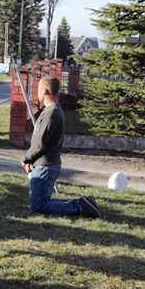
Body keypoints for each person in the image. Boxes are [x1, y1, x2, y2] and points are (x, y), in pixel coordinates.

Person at [22, 75, 101, 218]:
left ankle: (81, 206)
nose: (37, 93)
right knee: (41, 203)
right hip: (45, 165)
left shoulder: (51, 113)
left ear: (45, 91)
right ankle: (83, 204)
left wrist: (27, 159)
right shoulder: (52, 111)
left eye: (38, 90)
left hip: (45, 166)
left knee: (39, 207)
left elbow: (40, 143)